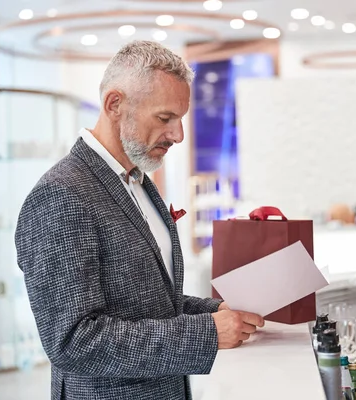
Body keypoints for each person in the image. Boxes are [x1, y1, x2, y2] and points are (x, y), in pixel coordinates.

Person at [15, 41, 264, 400]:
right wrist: (207, 333)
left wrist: (217, 311)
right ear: (114, 105)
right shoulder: (61, 195)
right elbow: (73, 340)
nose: (177, 135)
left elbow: (149, 302)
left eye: (180, 120)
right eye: (165, 119)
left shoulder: (138, 182)